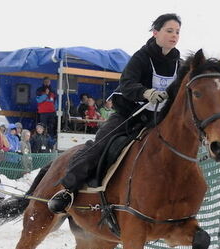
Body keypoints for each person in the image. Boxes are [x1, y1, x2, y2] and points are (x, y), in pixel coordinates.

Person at [48, 13, 182, 213]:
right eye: (169, 31)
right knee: (101, 144)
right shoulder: (142, 56)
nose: (174, 35)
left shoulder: (180, 63)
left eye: (177, 32)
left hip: (159, 121)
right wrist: (146, 92)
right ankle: (68, 190)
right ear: (156, 32)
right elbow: (126, 83)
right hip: (131, 115)